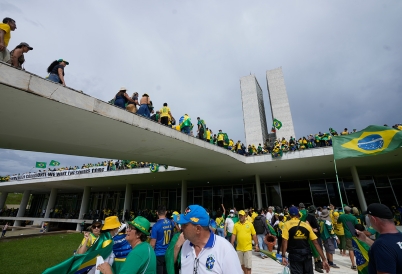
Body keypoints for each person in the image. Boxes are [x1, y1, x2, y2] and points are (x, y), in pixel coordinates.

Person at [174, 205, 243, 274]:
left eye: (185, 225)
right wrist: (177, 246)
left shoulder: (225, 250)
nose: (181, 227)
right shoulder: (186, 244)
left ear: (198, 229)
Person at [281, 206, 330, 274]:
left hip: (294, 255)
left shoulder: (286, 225)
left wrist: (283, 256)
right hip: (307, 255)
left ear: (289, 215)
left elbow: (284, 241)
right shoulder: (306, 225)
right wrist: (324, 259)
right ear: (298, 214)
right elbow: (315, 243)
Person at [356, 203, 402, 274]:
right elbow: (390, 250)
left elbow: (384, 248)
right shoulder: (398, 236)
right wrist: (366, 239)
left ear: (374, 219)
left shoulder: (381, 245)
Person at [231, 210, 260, 274]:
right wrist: (231, 244)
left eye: (242, 215)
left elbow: (254, 235)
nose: (240, 217)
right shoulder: (236, 225)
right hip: (239, 248)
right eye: (239, 215)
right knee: (241, 265)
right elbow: (233, 235)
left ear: (245, 216)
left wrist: (256, 245)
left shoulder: (250, 224)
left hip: (248, 248)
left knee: (248, 266)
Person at [150, 205, 174, 274]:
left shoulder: (155, 226)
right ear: (166, 212)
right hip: (168, 252)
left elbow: (152, 244)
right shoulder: (171, 223)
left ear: (157, 213)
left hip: (158, 254)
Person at [337, 205, 358, 270]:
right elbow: (357, 226)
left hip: (347, 234)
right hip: (354, 233)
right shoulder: (353, 217)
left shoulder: (342, 216)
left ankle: (353, 264)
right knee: (357, 249)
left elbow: (338, 222)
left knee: (350, 249)